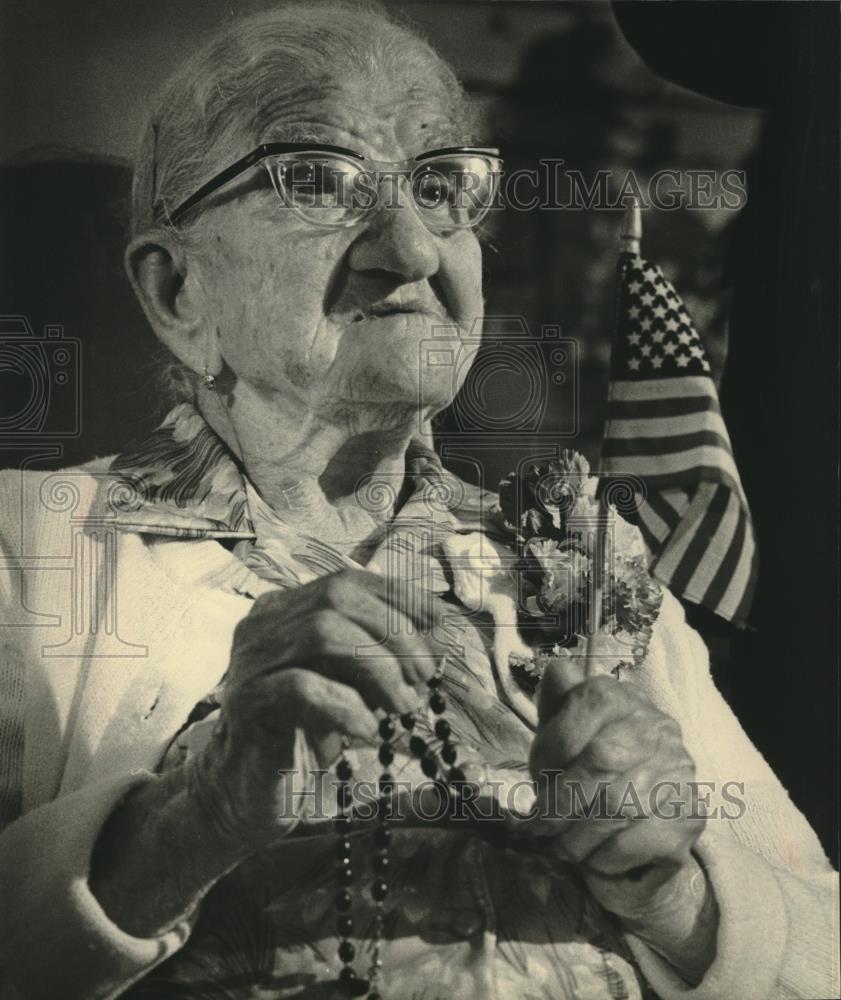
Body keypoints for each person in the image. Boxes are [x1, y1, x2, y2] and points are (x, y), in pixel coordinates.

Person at [0, 4, 836, 999]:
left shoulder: (586, 569)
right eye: (317, 179)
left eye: (441, 187)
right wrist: (195, 814)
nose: (410, 246)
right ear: (180, 291)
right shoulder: (27, 548)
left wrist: (675, 897)